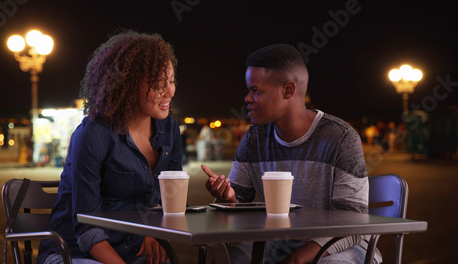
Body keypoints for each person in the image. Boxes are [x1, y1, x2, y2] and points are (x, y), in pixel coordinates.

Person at [203, 44, 382, 264]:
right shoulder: (254, 139)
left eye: (256, 91)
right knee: (227, 260)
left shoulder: (340, 138)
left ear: (288, 90)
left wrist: (297, 258)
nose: (247, 98)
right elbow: (236, 208)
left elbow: (354, 225)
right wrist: (229, 199)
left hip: (339, 247)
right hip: (276, 242)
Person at [37, 30, 182, 264]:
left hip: (132, 251)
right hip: (73, 252)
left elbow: (172, 200)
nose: (170, 92)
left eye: (172, 81)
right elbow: (87, 230)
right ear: (128, 83)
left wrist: (154, 229)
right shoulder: (93, 134)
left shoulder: (169, 130)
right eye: (158, 84)